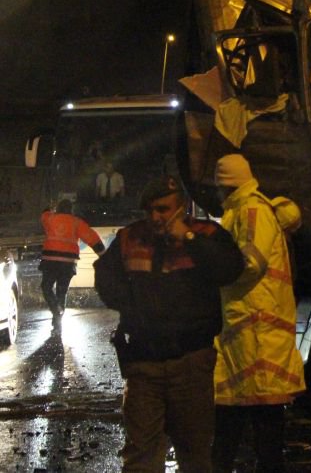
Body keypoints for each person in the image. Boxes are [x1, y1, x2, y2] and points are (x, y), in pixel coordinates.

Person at [95, 175, 244, 473]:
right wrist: (134, 306)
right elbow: (105, 278)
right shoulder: (130, 237)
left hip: (191, 363)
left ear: (181, 207)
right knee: (141, 454)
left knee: (195, 452)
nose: (155, 217)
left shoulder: (206, 234)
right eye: (150, 210)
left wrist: (188, 239)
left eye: (163, 209)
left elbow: (229, 269)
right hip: (143, 365)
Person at [211, 154, 305, 473]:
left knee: (257, 417)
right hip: (250, 326)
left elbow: (251, 262)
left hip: (256, 328)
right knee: (243, 412)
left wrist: (212, 276)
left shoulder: (251, 210)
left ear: (225, 184)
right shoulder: (242, 209)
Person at [40, 199, 105, 329]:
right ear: (71, 210)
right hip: (68, 263)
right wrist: (103, 256)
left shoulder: (50, 219)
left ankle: (55, 310)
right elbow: (92, 238)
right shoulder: (77, 222)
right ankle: (58, 318)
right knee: (62, 291)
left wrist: (49, 207)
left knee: (46, 287)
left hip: (50, 261)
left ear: (58, 208)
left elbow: (43, 215)